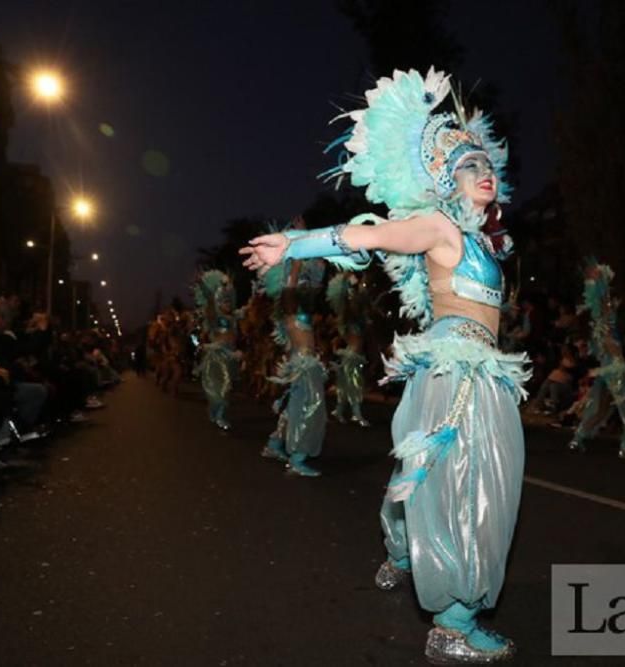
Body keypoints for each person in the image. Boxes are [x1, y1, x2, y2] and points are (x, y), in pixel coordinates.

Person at [241, 68, 527, 663]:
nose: (484, 172)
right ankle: (452, 624)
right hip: (457, 374)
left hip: (484, 370)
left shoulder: (486, 243)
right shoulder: (439, 226)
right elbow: (367, 238)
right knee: (472, 490)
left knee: (433, 477)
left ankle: (402, 552)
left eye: (487, 164)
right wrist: (293, 244)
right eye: (469, 165)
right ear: (447, 178)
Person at [258, 218, 328, 477]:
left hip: (306, 362)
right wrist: (297, 246)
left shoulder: (302, 307)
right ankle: (297, 459)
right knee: (311, 406)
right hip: (302, 363)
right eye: (301, 283)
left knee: (294, 408)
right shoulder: (288, 307)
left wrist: (312, 242)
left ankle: (275, 444)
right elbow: (293, 279)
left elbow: (317, 277)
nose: (305, 286)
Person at [568, 260, 625, 460]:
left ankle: (578, 438)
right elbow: (610, 343)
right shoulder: (605, 318)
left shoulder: (600, 317)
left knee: (600, 405)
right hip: (615, 368)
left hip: (607, 367)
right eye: (612, 300)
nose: (614, 303)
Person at [193, 270, 242, 430]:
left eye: (229, 302)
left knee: (226, 389)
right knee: (220, 388)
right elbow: (209, 298)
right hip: (216, 357)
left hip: (230, 356)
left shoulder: (234, 317)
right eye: (224, 302)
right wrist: (201, 283)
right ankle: (219, 415)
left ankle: (217, 412)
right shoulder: (214, 316)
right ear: (218, 302)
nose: (227, 305)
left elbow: (247, 309)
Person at [326, 272, 370, 426]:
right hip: (352, 357)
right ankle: (356, 415)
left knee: (345, 385)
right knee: (354, 386)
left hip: (350, 356)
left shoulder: (353, 319)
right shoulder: (350, 319)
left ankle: (338, 410)